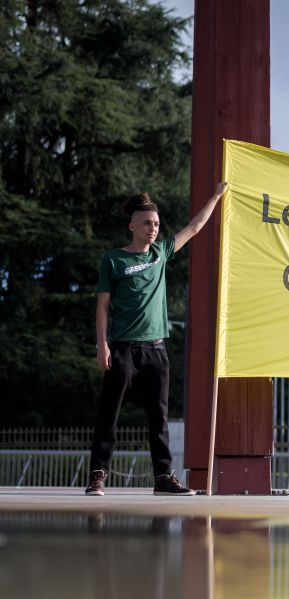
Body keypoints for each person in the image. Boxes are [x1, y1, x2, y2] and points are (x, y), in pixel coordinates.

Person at [85, 182, 229, 496]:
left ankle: (164, 478)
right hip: (123, 349)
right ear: (132, 226)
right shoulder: (113, 260)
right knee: (109, 415)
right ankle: (97, 476)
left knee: (158, 419)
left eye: (157, 224)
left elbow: (194, 227)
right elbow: (103, 305)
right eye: (148, 223)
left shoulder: (161, 253)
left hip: (156, 350)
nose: (153, 229)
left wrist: (216, 195)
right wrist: (102, 343)